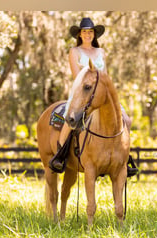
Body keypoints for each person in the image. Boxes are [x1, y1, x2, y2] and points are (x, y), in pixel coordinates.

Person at [49, 17, 138, 177]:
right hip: (82, 92)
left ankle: (124, 155)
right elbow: (78, 76)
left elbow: (106, 75)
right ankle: (60, 155)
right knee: (68, 119)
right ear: (80, 34)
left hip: (103, 94)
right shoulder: (74, 51)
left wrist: (107, 92)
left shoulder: (101, 52)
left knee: (126, 119)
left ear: (94, 34)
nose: (87, 34)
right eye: (84, 31)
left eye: (90, 32)